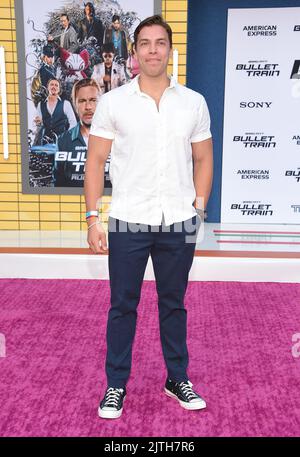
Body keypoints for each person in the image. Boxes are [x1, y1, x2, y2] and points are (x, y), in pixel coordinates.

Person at [84, 15, 213, 419]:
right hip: (128, 219)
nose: (153, 49)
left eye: (160, 42)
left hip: (178, 220)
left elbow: (204, 157)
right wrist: (92, 218)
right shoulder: (113, 102)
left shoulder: (193, 102)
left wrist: (199, 210)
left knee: (173, 304)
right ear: (135, 51)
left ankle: (177, 377)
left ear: (170, 50)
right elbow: (95, 161)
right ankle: (115, 385)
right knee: (123, 306)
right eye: (145, 43)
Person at [53, 78, 100, 186]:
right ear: (74, 105)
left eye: (93, 100)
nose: (88, 107)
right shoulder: (63, 141)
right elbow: (58, 184)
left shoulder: (116, 139)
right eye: (82, 101)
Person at [34, 78, 77, 145]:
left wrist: (66, 137)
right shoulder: (40, 104)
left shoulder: (66, 103)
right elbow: (38, 125)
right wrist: (38, 123)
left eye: (56, 85)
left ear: (59, 89)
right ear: (48, 87)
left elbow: (73, 123)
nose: (54, 87)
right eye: (51, 85)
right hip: (45, 143)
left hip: (62, 143)